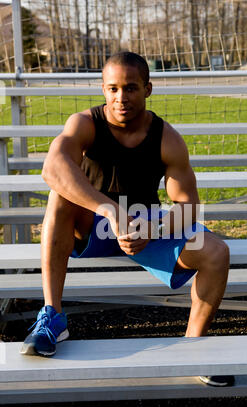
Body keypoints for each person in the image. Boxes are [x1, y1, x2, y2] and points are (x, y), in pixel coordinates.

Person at [20, 51, 233, 387]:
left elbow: (189, 205)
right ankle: (52, 317)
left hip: (145, 226)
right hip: (93, 224)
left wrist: (155, 227)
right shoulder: (85, 124)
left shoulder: (167, 138)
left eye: (131, 88)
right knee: (59, 195)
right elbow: (52, 168)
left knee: (217, 251)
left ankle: (194, 347)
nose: (121, 98)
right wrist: (109, 210)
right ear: (103, 90)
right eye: (113, 88)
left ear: (148, 89)